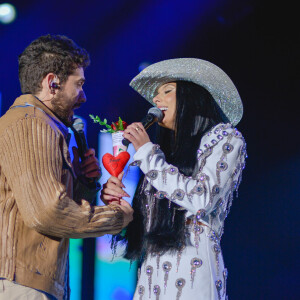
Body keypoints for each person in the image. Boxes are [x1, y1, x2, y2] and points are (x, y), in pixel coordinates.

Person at [0, 34, 133, 300]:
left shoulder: (41, 124)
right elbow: (48, 213)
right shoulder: (32, 123)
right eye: (79, 84)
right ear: (52, 82)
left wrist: (81, 181)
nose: (83, 96)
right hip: (21, 283)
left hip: (31, 281)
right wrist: (116, 217)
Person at [101, 58, 247, 300]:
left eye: (167, 91)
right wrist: (120, 207)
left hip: (193, 267)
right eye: (155, 96)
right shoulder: (162, 156)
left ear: (193, 96)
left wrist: (148, 154)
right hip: (151, 273)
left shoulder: (226, 137)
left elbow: (202, 198)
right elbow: (145, 223)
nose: (156, 101)